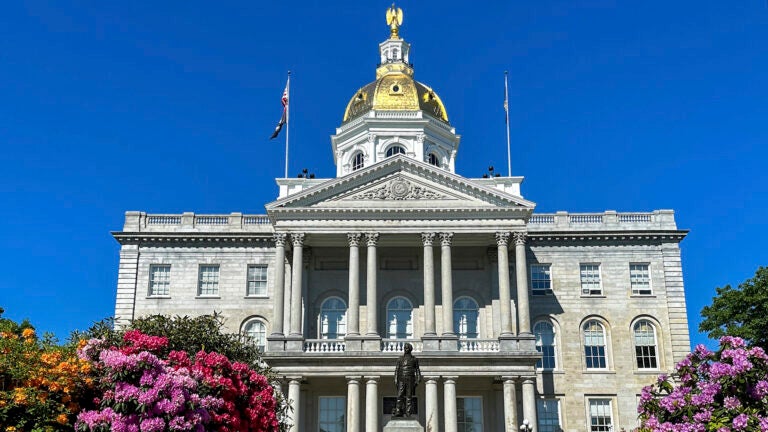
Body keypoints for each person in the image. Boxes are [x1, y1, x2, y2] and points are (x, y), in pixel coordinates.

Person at [392, 342, 421, 417]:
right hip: (401, 378)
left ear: (410, 349)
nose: (406, 349)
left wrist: (418, 378)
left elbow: (417, 370)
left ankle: (408, 412)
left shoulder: (414, 359)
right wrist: (395, 379)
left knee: (409, 396)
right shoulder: (400, 359)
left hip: (410, 379)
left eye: (407, 348)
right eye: (405, 348)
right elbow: (397, 370)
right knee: (399, 395)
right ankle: (398, 411)